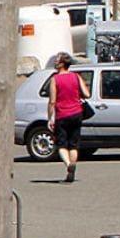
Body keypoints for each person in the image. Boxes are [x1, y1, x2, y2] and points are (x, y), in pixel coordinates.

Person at [47, 52, 90, 183]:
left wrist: (50, 118)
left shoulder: (55, 79)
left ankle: (69, 164)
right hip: (77, 113)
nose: (55, 62)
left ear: (61, 64)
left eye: (57, 60)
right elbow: (87, 94)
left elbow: (52, 101)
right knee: (73, 144)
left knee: (61, 145)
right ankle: (72, 169)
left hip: (62, 115)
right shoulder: (76, 76)